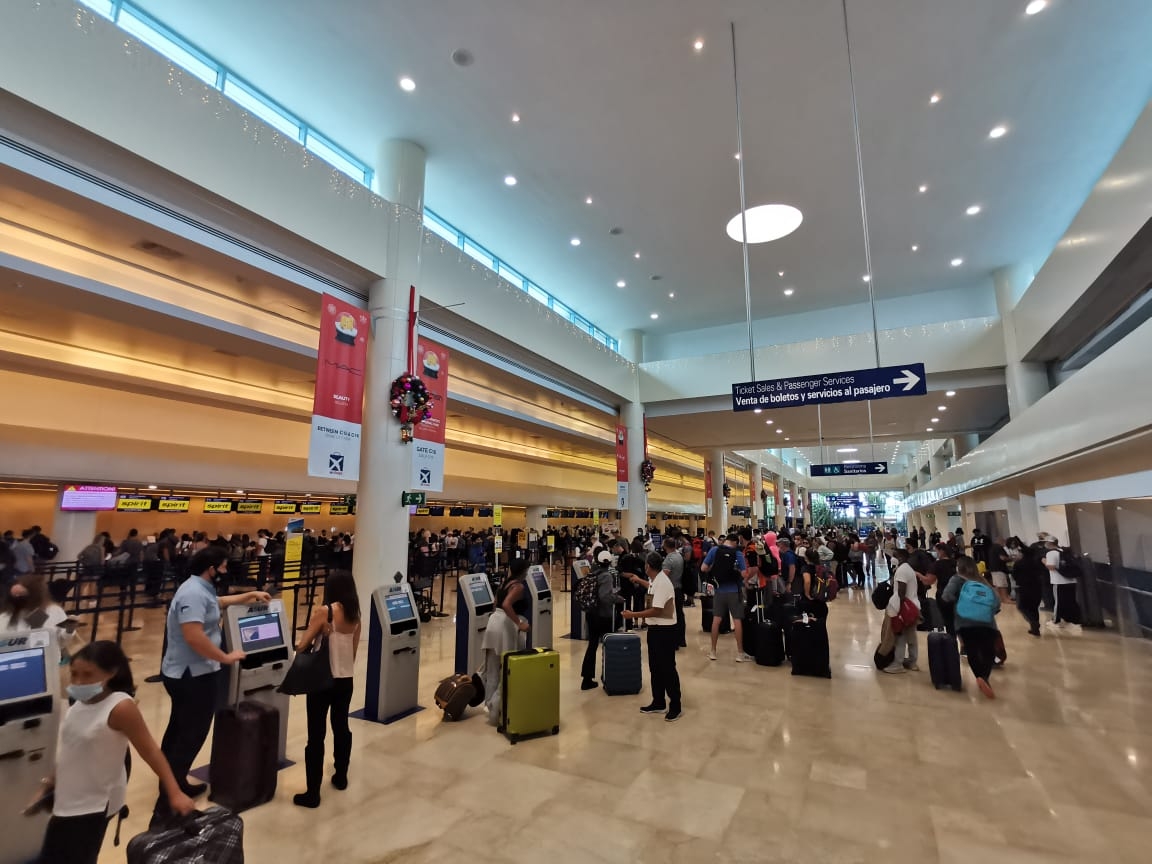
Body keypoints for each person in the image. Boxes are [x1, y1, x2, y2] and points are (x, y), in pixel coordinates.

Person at [30, 641, 194, 864]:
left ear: (112, 673)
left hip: (93, 803)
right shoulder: (79, 703)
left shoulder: (120, 707)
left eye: (88, 675)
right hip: (68, 797)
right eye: (74, 674)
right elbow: (71, 747)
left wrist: (174, 793)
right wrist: (49, 782)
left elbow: (151, 752)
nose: (78, 681)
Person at [154, 547, 269, 823]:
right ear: (212, 568)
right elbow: (193, 636)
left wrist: (249, 595)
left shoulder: (199, 587)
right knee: (190, 734)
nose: (226, 570)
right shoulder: (192, 593)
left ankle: (174, 781)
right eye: (224, 566)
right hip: (191, 675)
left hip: (189, 673)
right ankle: (169, 802)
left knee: (179, 729)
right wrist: (225, 657)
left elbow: (216, 602)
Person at [292, 570, 362, 808]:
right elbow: (352, 654)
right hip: (345, 679)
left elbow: (302, 646)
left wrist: (315, 638)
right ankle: (341, 776)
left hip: (322, 680)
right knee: (341, 726)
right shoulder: (355, 616)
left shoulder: (325, 612)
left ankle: (313, 792)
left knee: (316, 735)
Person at [621, 552, 682, 722]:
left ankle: (675, 705)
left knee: (667, 668)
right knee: (655, 668)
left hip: (665, 631)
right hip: (655, 630)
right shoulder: (657, 580)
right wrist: (639, 580)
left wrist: (633, 614)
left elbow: (657, 610)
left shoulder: (662, 582)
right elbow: (651, 588)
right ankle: (658, 701)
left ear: (648, 566)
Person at [941, 556, 1002, 699]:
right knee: (988, 651)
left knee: (972, 650)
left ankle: (979, 676)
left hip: (964, 622)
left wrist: (960, 604)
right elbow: (997, 602)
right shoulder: (982, 580)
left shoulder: (957, 579)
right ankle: (985, 677)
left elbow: (946, 596)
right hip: (987, 623)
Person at [479, 558, 530, 724]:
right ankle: (497, 707)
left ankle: (489, 706)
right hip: (504, 626)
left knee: (491, 668)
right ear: (522, 571)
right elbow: (508, 605)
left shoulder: (503, 584)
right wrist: (519, 623)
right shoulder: (518, 586)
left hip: (494, 622)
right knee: (506, 667)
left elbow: (496, 603)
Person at [699, 533, 750, 662]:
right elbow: (744, 574)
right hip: (734, 590)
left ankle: (713, 651)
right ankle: (739, 653)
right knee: (737, 620)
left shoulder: (715, 550)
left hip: (719, 590)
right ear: (735, 542)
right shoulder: (737, 553)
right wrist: (736, 570)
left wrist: (714, 568)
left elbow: (703, 568)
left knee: (716, 620)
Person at [580, 550, 623, 690]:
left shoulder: (593, 573)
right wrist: (617, 598)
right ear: (610, 562)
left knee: (592, 645)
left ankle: (587, 678)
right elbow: (605, 596)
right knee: (609, 644)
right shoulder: (607, 576)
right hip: (603, 615)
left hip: (591, 613)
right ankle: (610, 676)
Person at [882, 549, 921, 674]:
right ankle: (912, 661)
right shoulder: (908, 569)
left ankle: (898, 664)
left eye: (895, 556)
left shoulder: (902, 570)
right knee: (911, 636)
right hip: (913, 606)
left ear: (900, 557)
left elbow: (901, 593)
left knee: (900, 636)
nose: (893, 559)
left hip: (904, 608)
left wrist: (898, 612)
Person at [1044, 538, 1082, 634]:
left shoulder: (1051, 553)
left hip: (1059, 581)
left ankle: (1055, 621)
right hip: (1071, 580)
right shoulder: (1064, 551)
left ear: (1049, 543)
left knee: (1058, 602)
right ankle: (1075, 620)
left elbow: (1051, 567)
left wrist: (1044, 562)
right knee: (1071, 601)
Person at [1012, 543, 1045, 637]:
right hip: (1037, 587)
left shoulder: (1018, 563)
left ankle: (1033, 622)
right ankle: (1035, 629)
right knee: (1034, 607)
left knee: (1022, 607)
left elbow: (1015, 575)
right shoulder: (1037, 562)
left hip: (1024, 587)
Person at [660, 538, 687, 650]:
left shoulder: (669, 560)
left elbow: (664, 576)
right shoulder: (679, 556)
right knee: (679, 615)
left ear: (665, 546)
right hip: (679, 588)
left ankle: (673, 642)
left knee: (671, 616)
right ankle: (681, 640)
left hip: (671, 590)